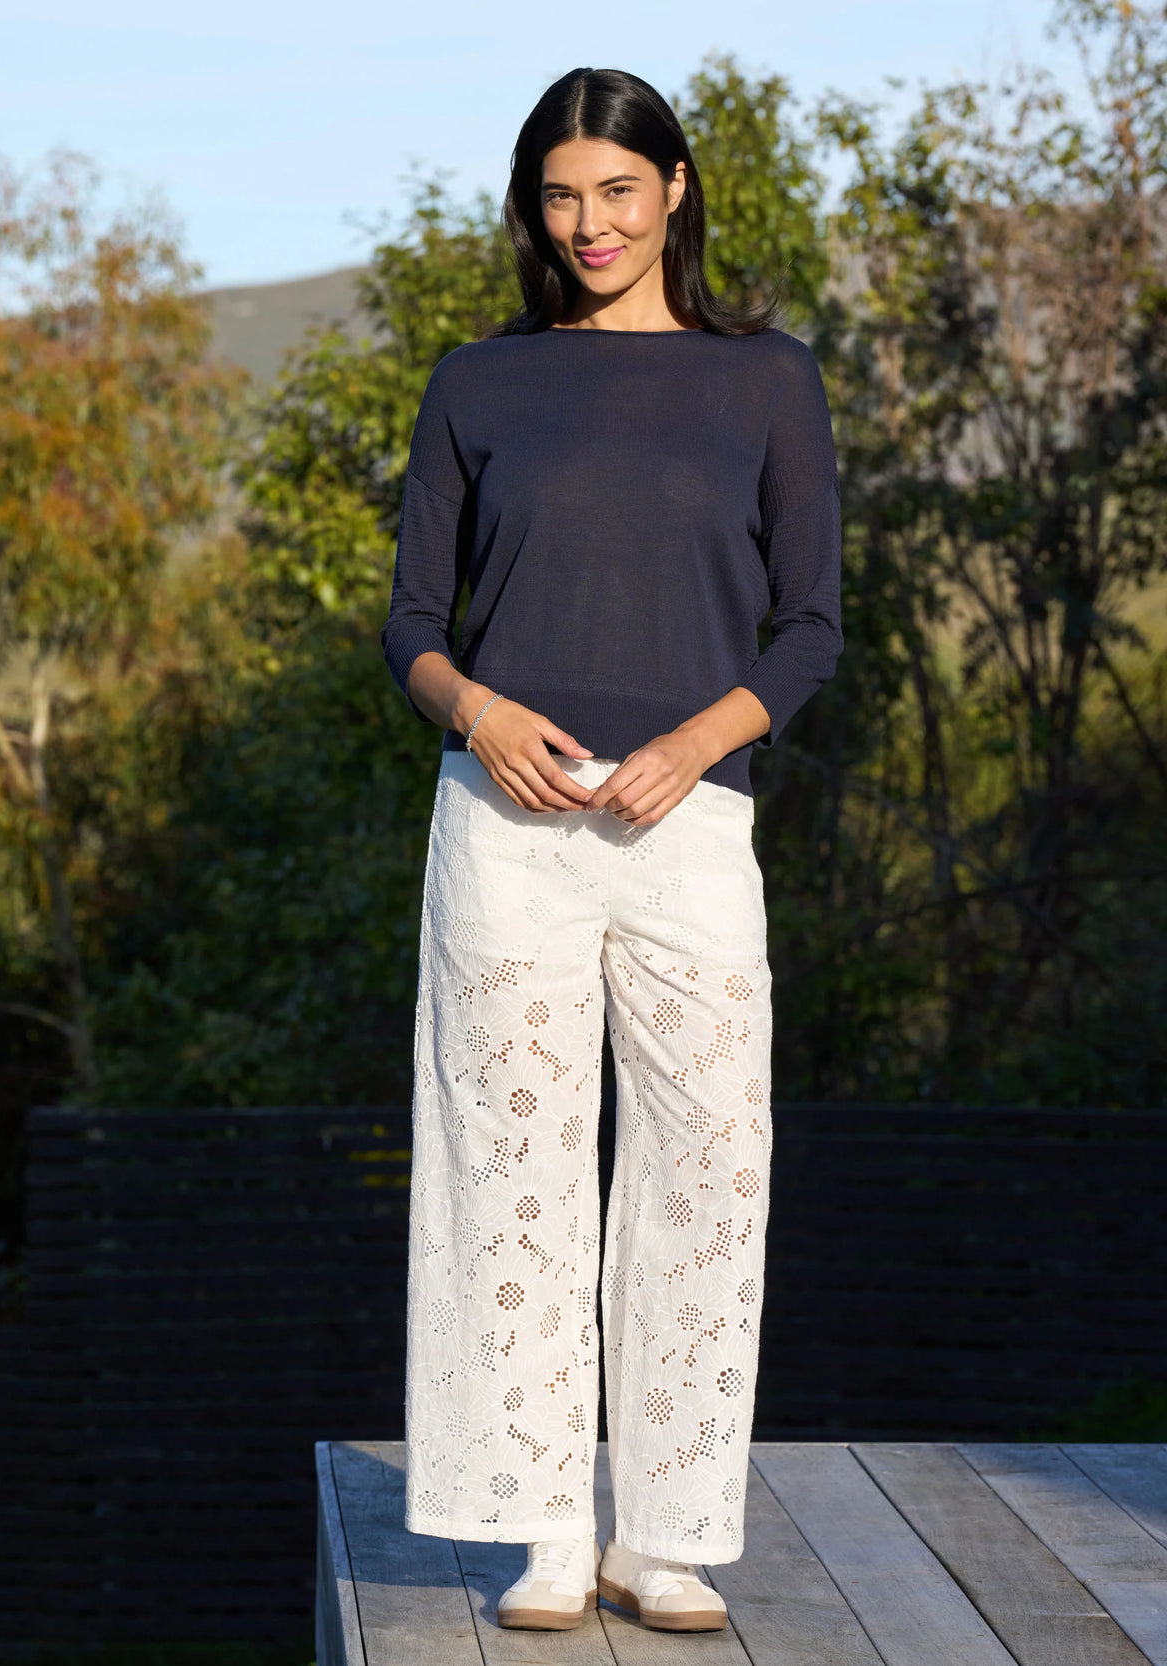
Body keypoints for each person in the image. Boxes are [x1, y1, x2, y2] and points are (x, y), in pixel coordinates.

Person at [379, 64, 842, 1635]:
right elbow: (412, 624)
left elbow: (810, 625)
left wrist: (699, 742)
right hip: (502, 833)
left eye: (619, 192)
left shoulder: (768, 379)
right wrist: (475, 708)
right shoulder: (477, 382)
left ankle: (670, 1530)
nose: (591, 223)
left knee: (710, 1168)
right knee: (513, 1178)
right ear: (535, 208)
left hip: (692, 827)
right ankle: (542, 1530)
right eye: (563, 196)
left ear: (677, 191)